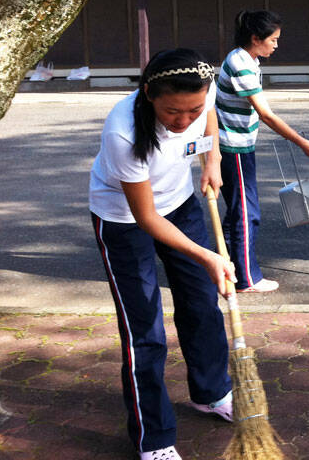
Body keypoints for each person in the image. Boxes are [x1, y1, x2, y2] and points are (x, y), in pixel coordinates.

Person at [89, 49, 235, 460]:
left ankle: (210, 392)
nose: (184, 120)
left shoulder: (198, 103)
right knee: (145, 330)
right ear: (149, 93)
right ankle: (152, 437)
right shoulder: (124, 133)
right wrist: (207, 256)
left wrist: (213, 160)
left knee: (203, 303)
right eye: (173, 111)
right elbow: (146, 218)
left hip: (182, 205)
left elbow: (208, 117)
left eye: (193, 108)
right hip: (124, 220)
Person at [216, 10, 309, 292]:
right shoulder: (239, 62)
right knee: (245, 213)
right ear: (255, 38)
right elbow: (266, 115)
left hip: (239, 146)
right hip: (233, 147)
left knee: (237, 212)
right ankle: (247, 279)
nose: (276, 45)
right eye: (273, 40)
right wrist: (301, 142)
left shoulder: (249, 59)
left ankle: (230, 269)